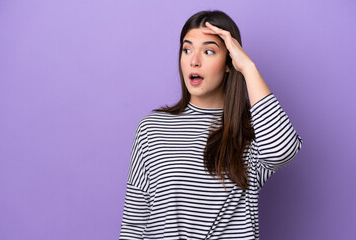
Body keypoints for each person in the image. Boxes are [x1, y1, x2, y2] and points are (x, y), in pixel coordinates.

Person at [119, 10, 302, 240]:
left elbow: (282, 152)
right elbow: (135, 222)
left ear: (229, 63)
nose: (194, 61)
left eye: (208, 51)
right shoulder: (151, 129)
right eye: (187, 50)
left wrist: (248, 67)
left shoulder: (251, 131)